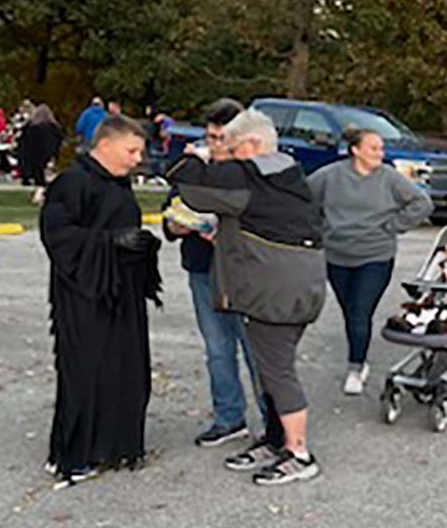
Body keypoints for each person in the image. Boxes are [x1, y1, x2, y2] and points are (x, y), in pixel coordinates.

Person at [168, 109, 328, 486]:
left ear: (254, 144)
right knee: (270, 368)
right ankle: (275, 440)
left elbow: (187, 180)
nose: (226, 154)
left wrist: (199, 156)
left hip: (273, 292)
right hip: (296, 285)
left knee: (277, 371)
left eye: (231, 146)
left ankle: (299, 452)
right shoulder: (286, 172)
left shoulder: (253, 174)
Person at [39, 116, 162, 488]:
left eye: (140, 151)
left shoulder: (118, 184)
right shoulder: (73, 183)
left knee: (126, 369)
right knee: (86, 373)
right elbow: (58, 235)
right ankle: (74, 454)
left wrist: (141, 246)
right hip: (84, 296)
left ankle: (115, 447)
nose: (137, 158)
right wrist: (111, 244)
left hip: (122, 293)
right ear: (105, 145)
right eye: (132, 150)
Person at [162, 99, 266, 448]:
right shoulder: (197, 169)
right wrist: (178, 226)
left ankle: (273, 422)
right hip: (202, 269)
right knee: (217, 348)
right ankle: (228, 417)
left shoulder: (252, 173)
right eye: (210, 137)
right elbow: (171, 207)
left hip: (245, 275)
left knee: (257, 351)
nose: (216, 145)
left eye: (222, 138)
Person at [309, 127, 434, 395]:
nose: (381, 153)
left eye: (381, 148)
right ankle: (359, 351)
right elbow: (304, 200)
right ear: (355, 150)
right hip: (337, 256)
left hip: (375, 256)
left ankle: (356, 367)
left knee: (359, 311)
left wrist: (392, 226)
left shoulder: (389, 178)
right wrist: (322, 230)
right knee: (350, 311)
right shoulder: (330, 176)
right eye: (374, 148)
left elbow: (422, 204)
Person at [17, 104, 65, 202]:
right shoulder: (54, 128)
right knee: (49, 176)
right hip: (49, 155)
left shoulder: (30, 128)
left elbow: (22, 143)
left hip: (34, 156)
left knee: (40, 178)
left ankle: (39, 193)